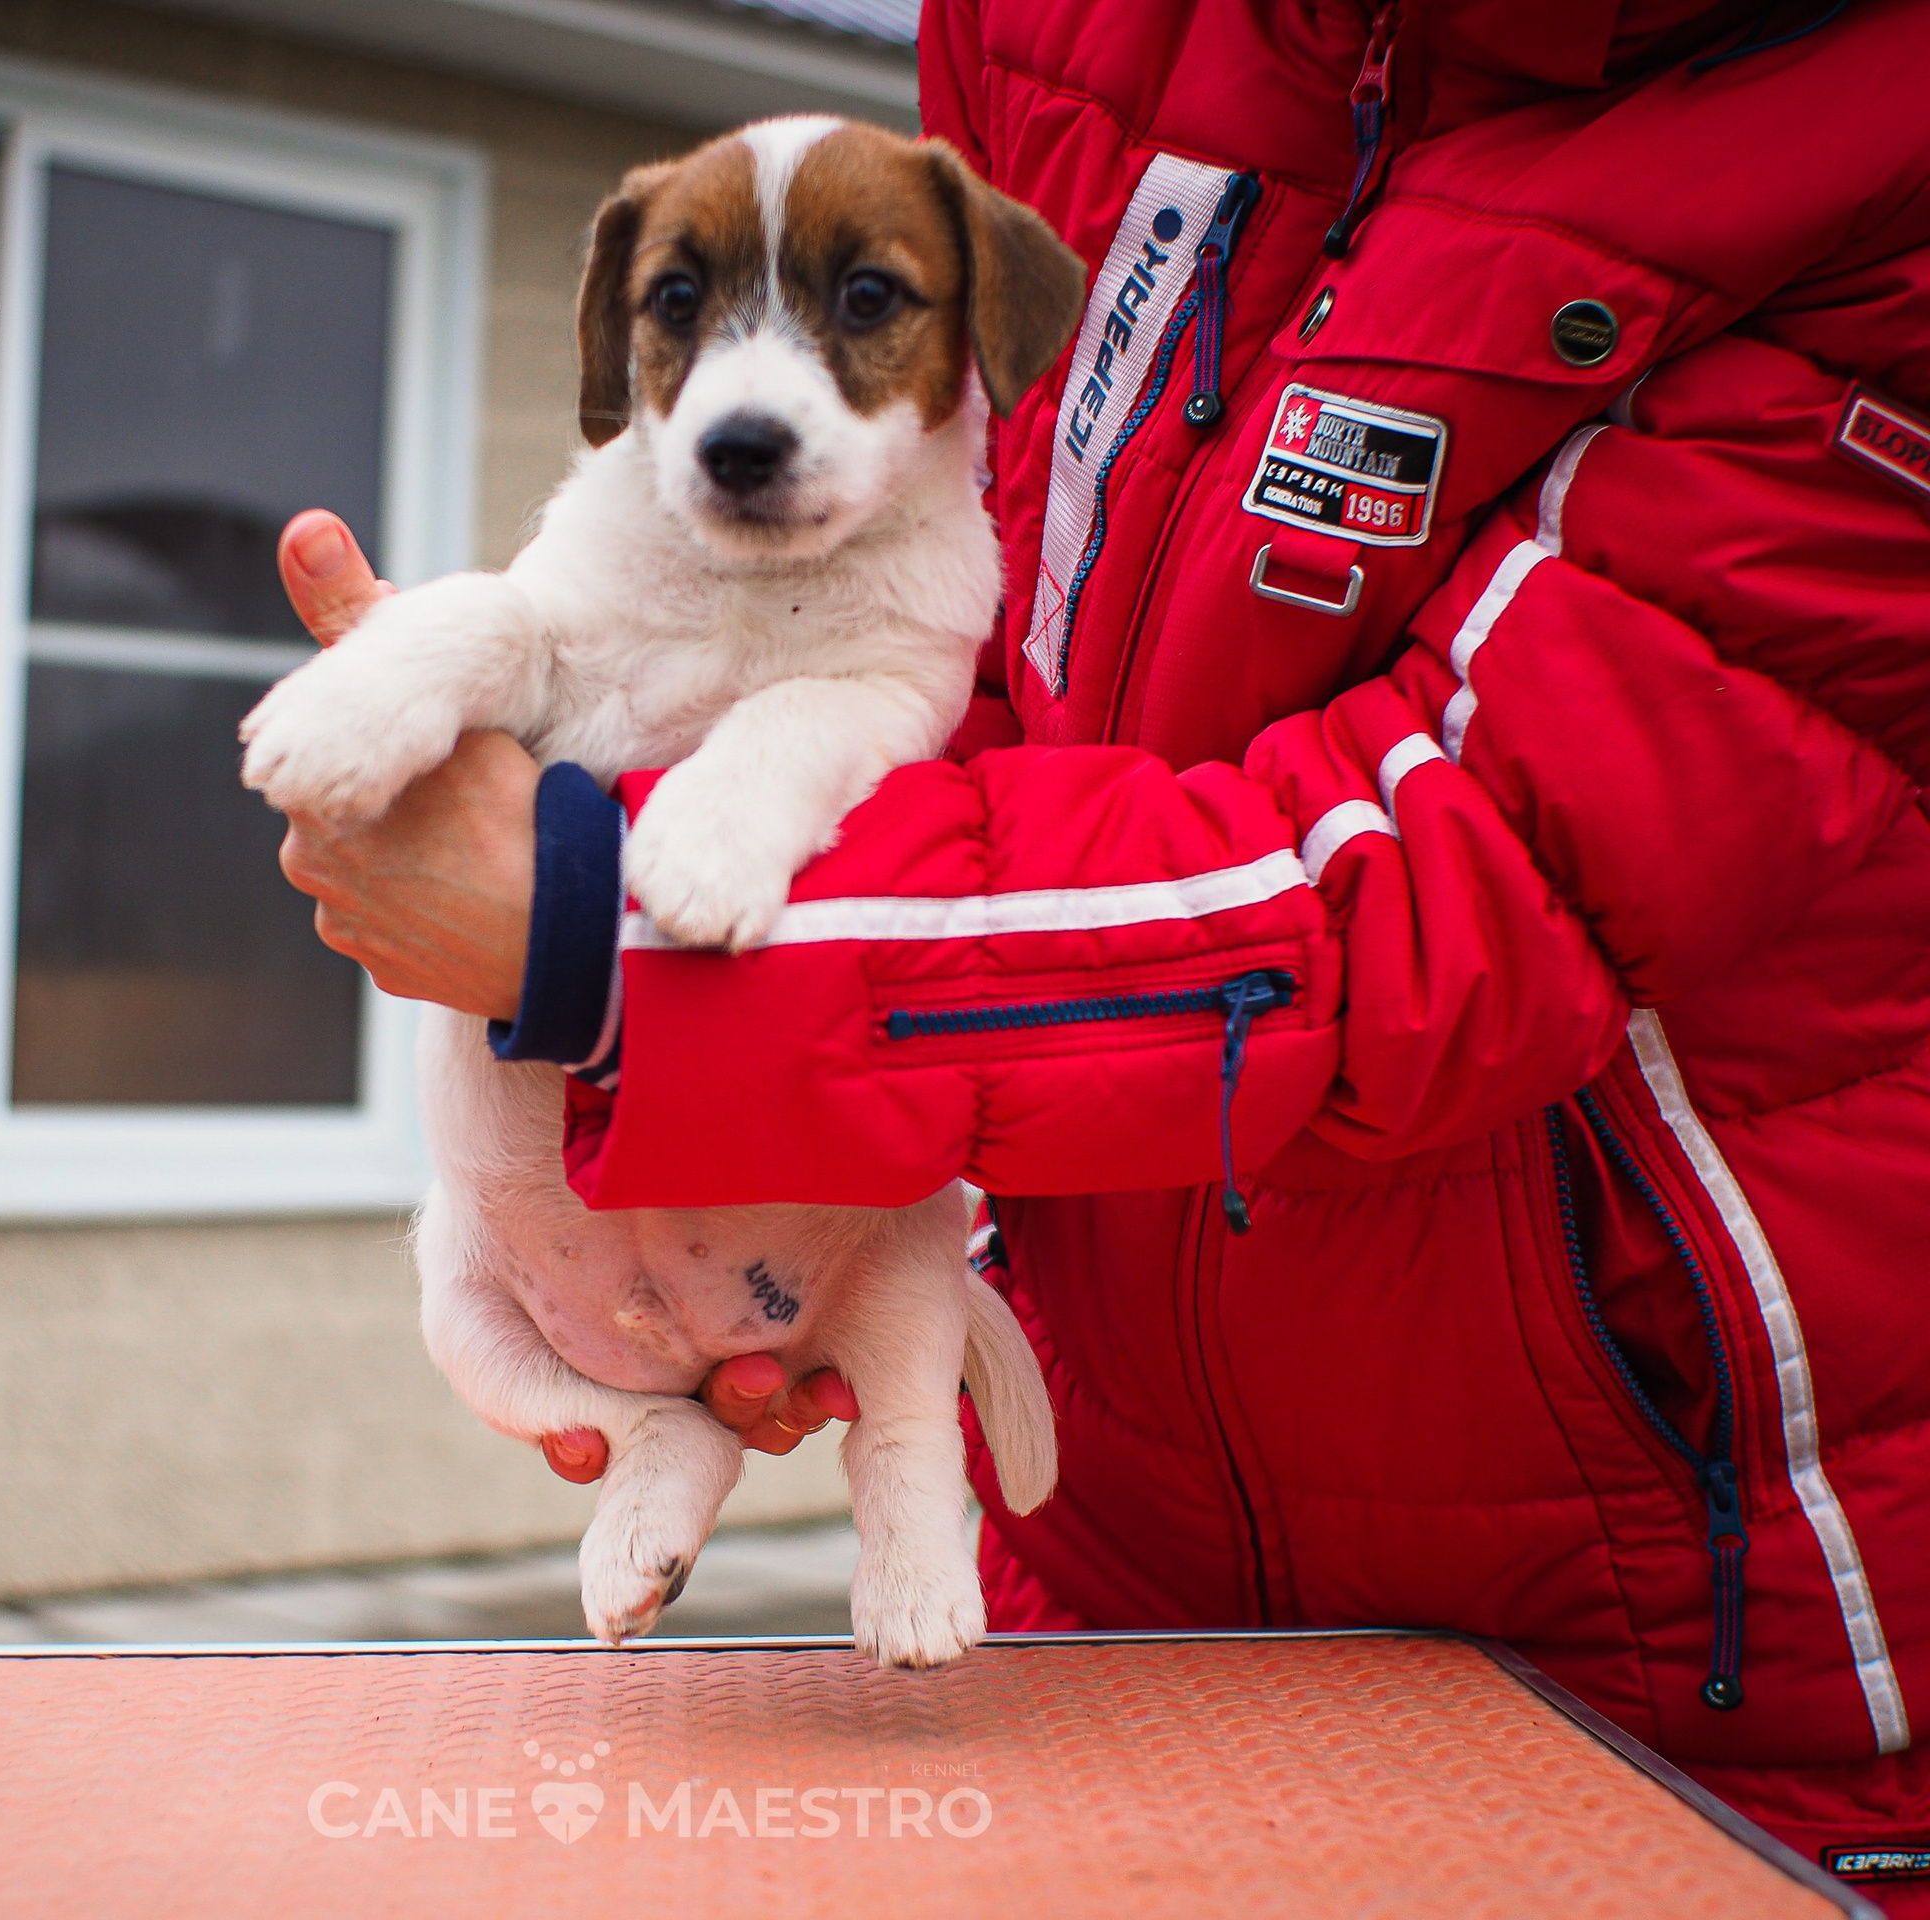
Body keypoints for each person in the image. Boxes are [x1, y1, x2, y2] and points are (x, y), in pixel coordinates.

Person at [269, 0, 1930, 1895]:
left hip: (1688, 1673)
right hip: (1104, 1603)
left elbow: (1460, 895)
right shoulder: (1070, 26)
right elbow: (986, 662)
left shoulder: (1876, 139)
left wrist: (600, 917)